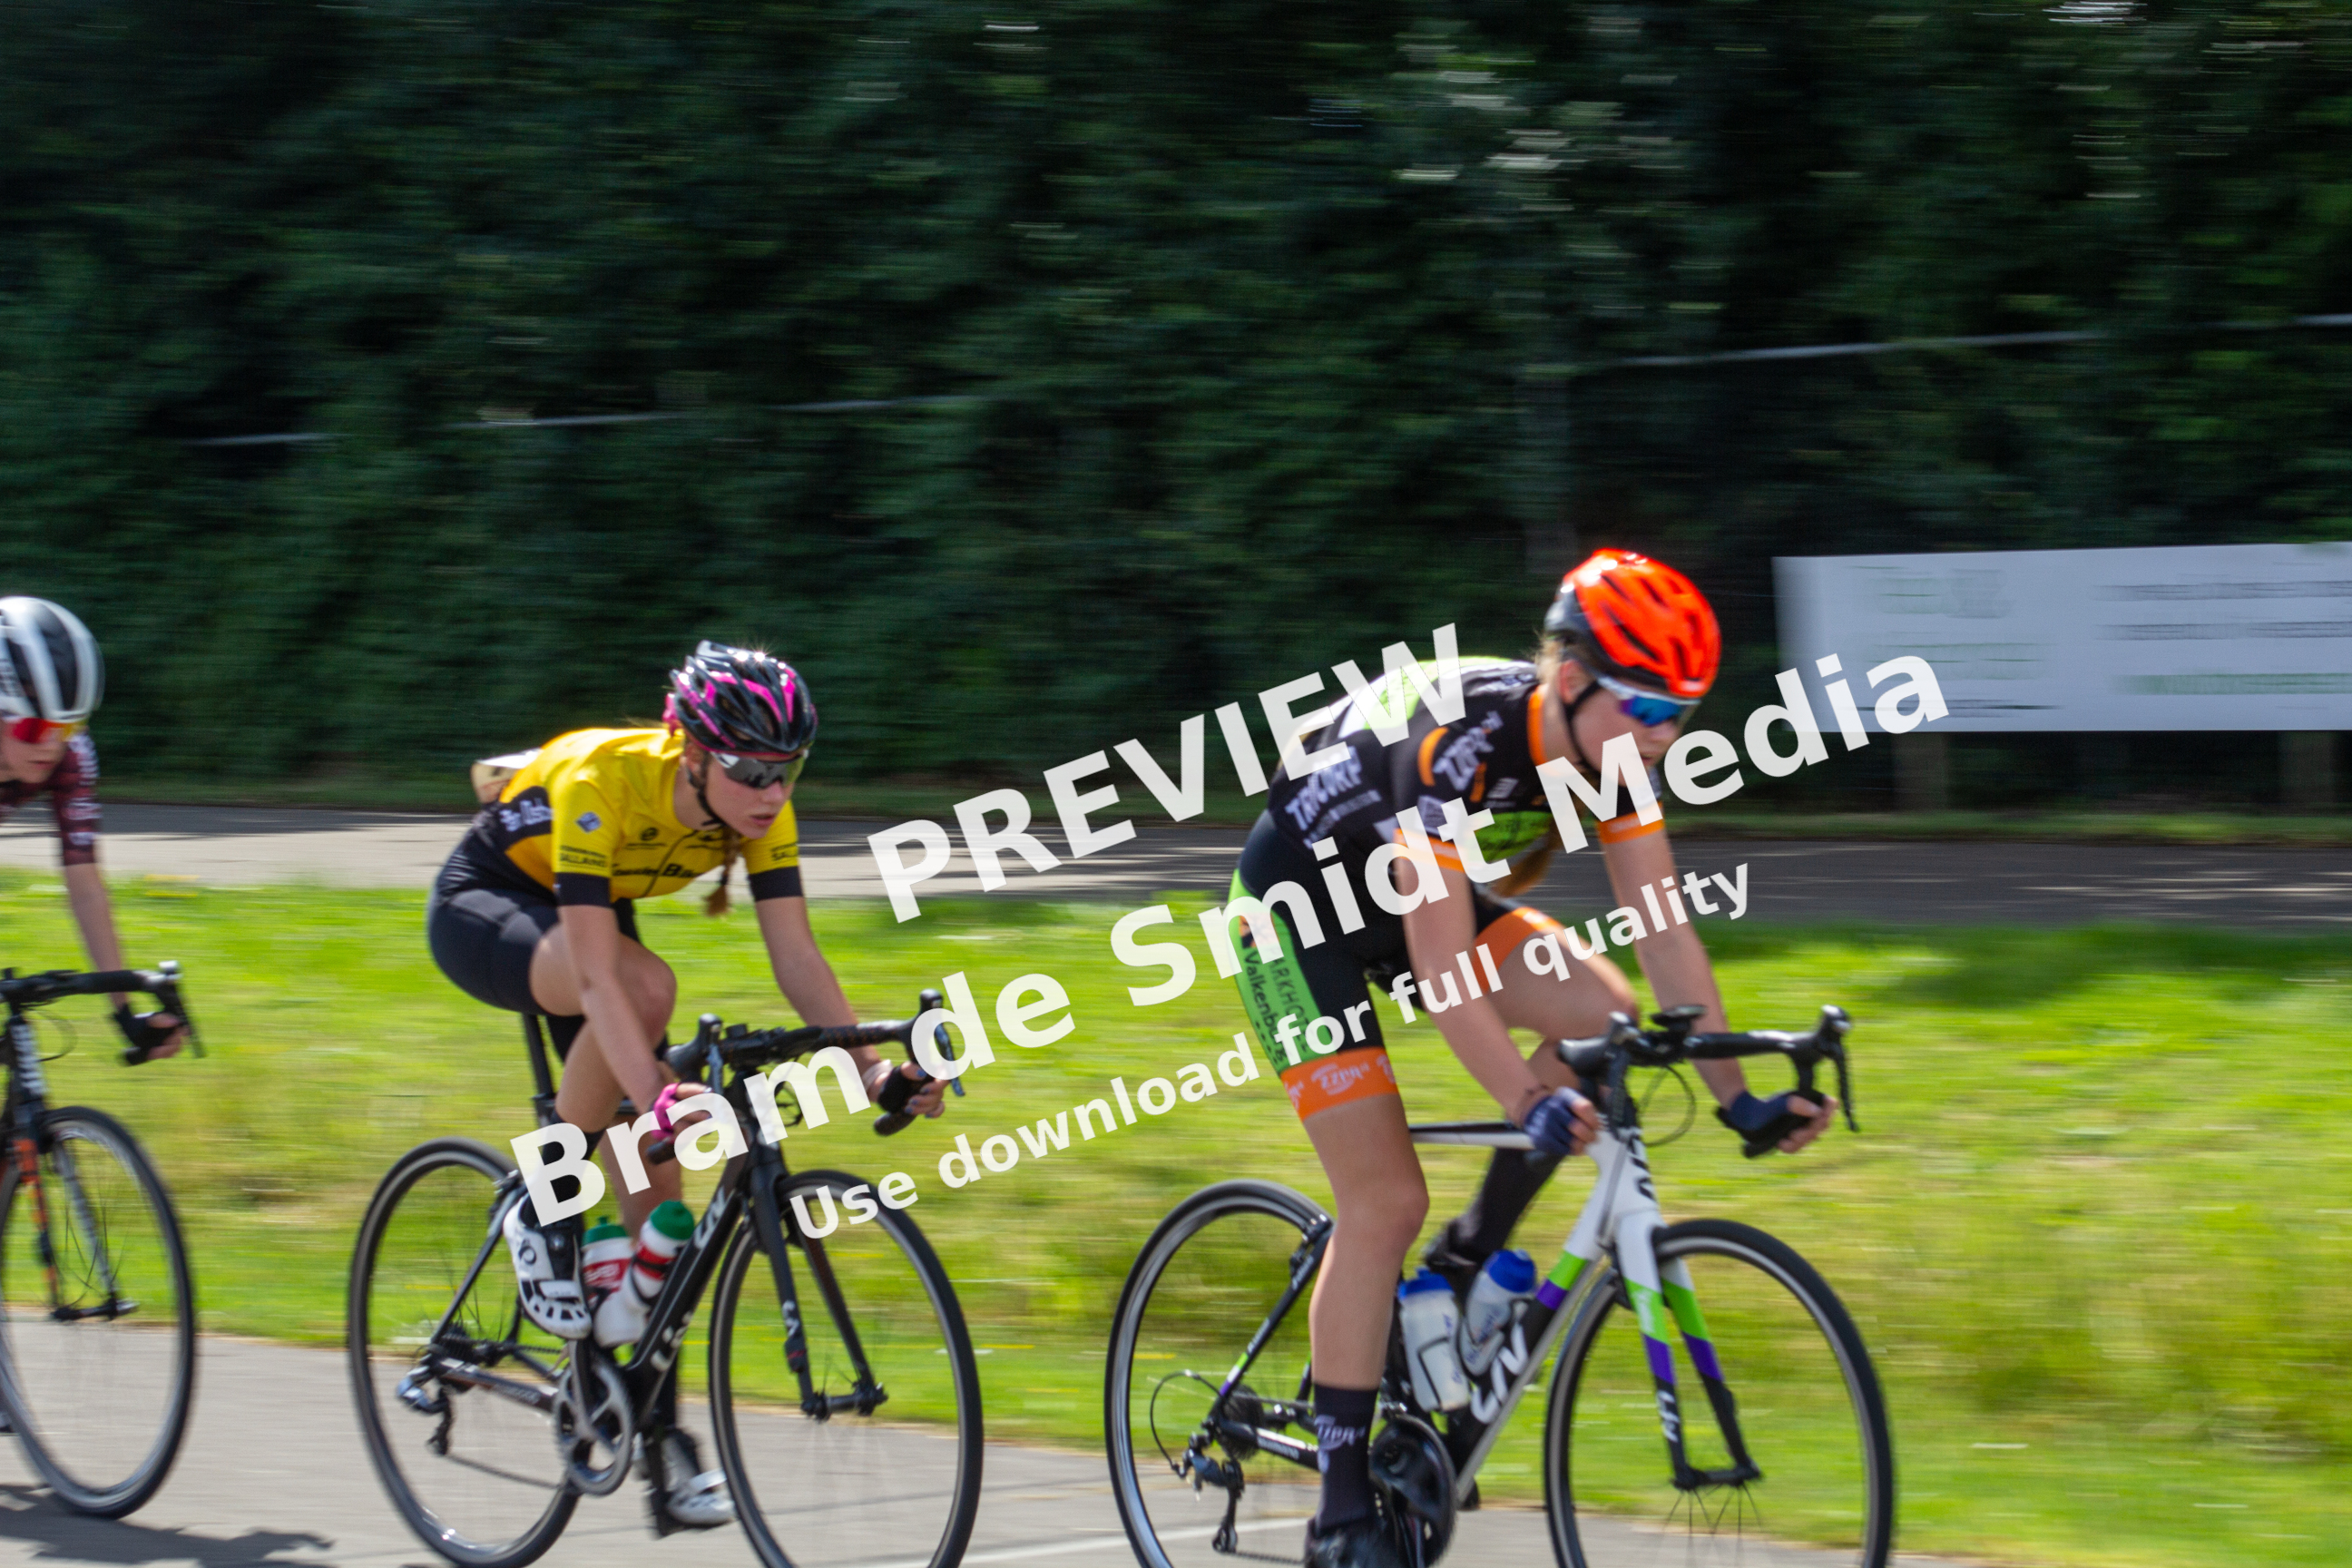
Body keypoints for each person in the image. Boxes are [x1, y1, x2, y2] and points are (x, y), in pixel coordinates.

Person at [1225, 550, 1837, 1568]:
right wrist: (1518, 1094)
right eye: (1641, 705)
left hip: (1412, 910)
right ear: (1569, 677)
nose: (1659, 734)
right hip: (1295, 922)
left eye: (1679, 712)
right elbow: (1441, 958)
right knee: (1382, 1202)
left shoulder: (1618, 762)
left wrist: (1739, 1100)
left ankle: (1463, 1267)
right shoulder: (1461, 744)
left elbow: (1664, 930)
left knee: (1604, 1014)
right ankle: (1338, 1512)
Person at [426, 640, 946, 1533]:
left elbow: (796, 956)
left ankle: (655, 1436)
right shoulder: (604, 778)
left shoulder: (759, 806)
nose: (774, 792)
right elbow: (599, 980)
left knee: (658, 1201)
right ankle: (537, 1204)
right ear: (694, 753)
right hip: (493, 903)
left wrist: (872, 1071)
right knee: (645, 994)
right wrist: (657, 1096)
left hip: (593, 928)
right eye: (752, 771)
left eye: (790, 770)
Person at [0, 597, 185, 1061]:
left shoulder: (71, 756)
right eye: (31, 729)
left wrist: (124, 1014)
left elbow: (85, 886)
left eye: (65, 728)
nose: (49, 746)